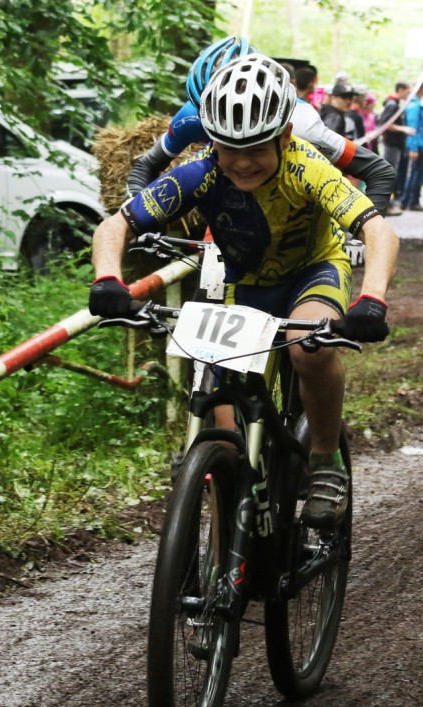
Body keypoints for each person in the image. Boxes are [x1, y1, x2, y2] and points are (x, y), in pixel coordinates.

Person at [89, 54, 399, 529]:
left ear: (285, 137)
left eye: (257, 147)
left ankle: (324, 461)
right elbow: (116, 226)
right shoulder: (202, 171)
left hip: (312, 272)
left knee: (310, 355)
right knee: (221, 406)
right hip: (244, 285)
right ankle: (226, 512)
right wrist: (108, 279)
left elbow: (380, 233)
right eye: (229, 147)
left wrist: (372, 298)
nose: (242, 161)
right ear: (212, 141)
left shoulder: (309, 168)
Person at [125, 36, 395, 213]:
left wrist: (364, 233)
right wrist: (136, 213)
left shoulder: (299, 123)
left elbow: (378, 171)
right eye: (213, 118)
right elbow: (146, 166)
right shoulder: (190, 117)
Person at [377, 82, 414, 214]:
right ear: (400, 90)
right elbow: (385, 124)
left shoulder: (396, 104)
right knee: (388, 174)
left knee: (391, 173)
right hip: (391, 145)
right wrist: (403, 129)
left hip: (396, 146)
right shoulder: (392, 105)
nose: (409, 94)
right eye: (407, 91)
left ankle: (388, 204)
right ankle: (384, 205)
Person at [400, 80, 423, 211]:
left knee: (416, 173)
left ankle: (408, 201)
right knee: (417, 174)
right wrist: (413, 148)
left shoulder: (417, 104)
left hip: (420, 143)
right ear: (422, 88)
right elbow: (412, 128)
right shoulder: (414, 106)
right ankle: (412, 201)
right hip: (416, 144)